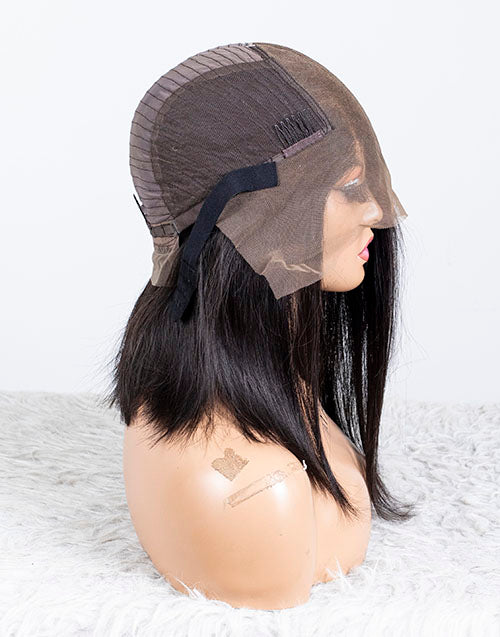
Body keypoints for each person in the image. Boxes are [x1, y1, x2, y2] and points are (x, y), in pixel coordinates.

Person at [102, 41, 417, 610]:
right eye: (349, 187)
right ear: (258, 220)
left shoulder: (272, 385)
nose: (376, 209)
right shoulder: (258, 495)